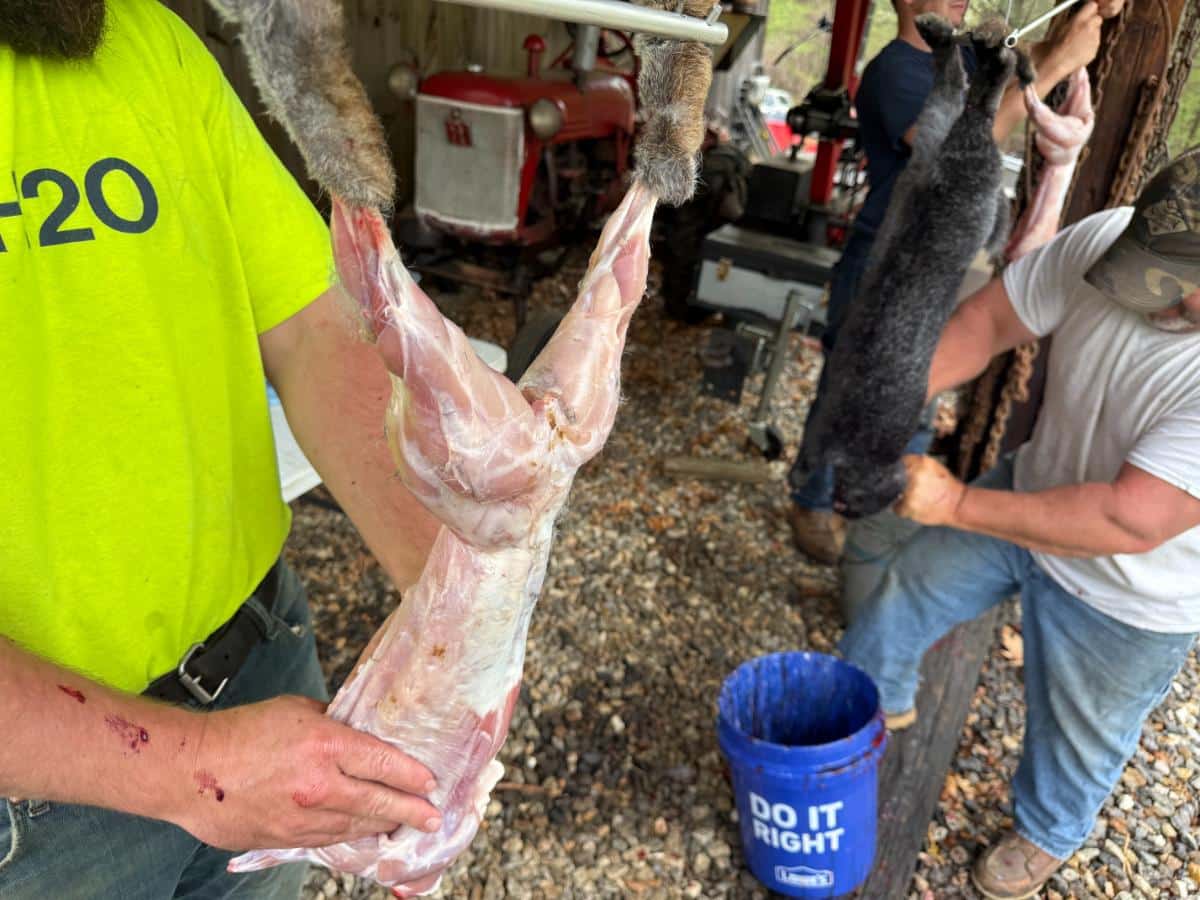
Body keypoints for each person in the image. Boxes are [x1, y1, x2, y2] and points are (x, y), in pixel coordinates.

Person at [0, 2, 446, 897]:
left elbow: (313, 331)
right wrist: (196, 769)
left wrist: (454, 608)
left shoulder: (142, 40)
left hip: (262, 664)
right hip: (39, 804)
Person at [841, 147, 1200, 899]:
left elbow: (1129, 519)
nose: (1154, 296)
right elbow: (991, 318)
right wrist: (900, 395)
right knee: (911, 586)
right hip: (1034, 488)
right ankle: (877, 704)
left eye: (1179, 289)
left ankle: (1046, 835)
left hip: (1133, 588)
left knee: (1079, 736)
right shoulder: (1109, 242)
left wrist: (956, 505)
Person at [786, 0, 1119, 564]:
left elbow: (1031, 53)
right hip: (883, 262)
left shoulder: (962, 55)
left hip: (935, 263)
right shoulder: (892, 70)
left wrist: (1083, 20)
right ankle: (814, 499)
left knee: (913, 387)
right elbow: (951, 149)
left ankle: (881, 507)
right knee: (851, 387)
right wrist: (1059, 65)